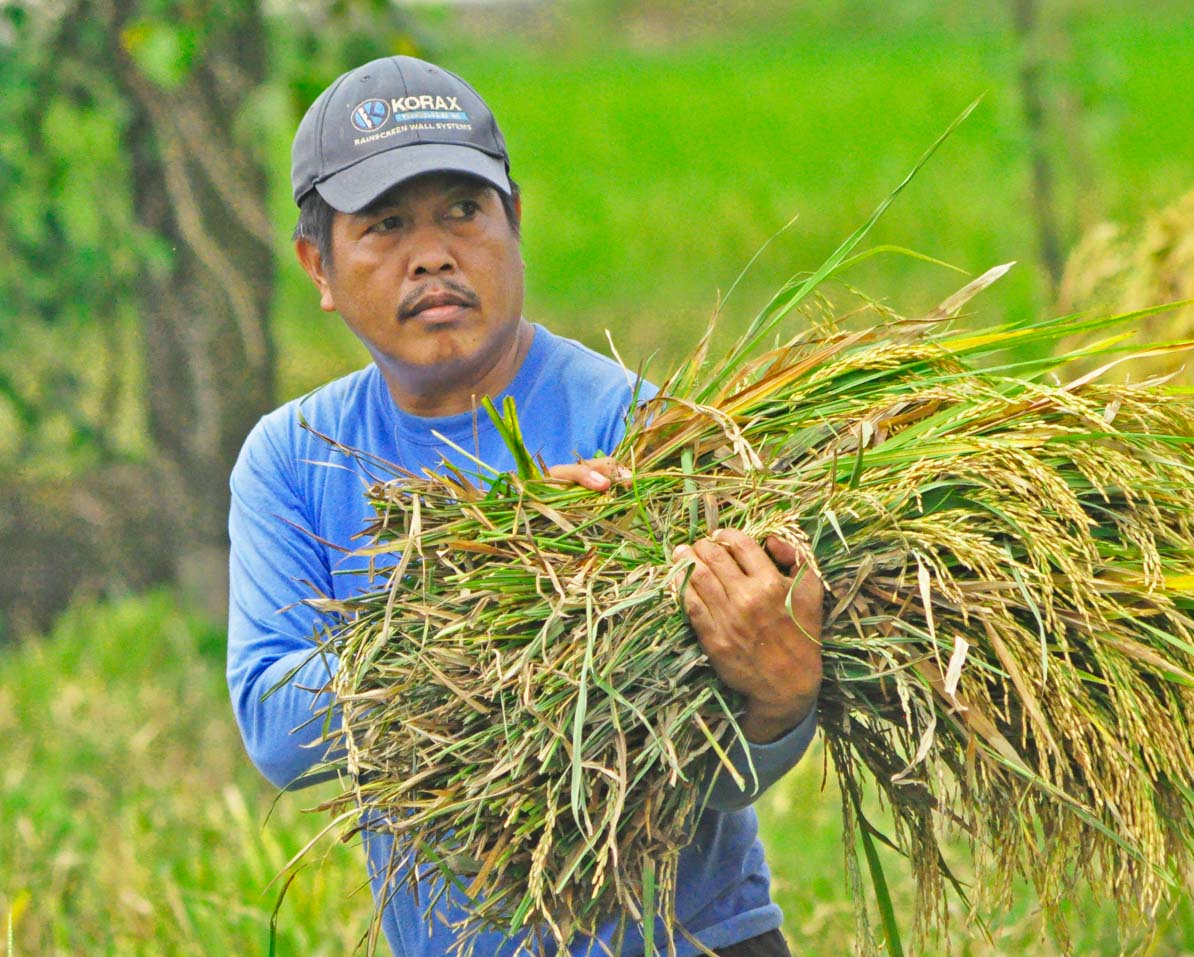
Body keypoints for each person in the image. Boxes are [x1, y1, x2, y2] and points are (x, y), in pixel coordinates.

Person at [227, 54, 823, 957]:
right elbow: (277, 728)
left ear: (514, 221)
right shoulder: (292, 459)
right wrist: (483, 576)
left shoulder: (641, 429)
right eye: (386, 225)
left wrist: (784, 697)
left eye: (463, 211)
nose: (432, 253)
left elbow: (726, 764)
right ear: (319, 266)